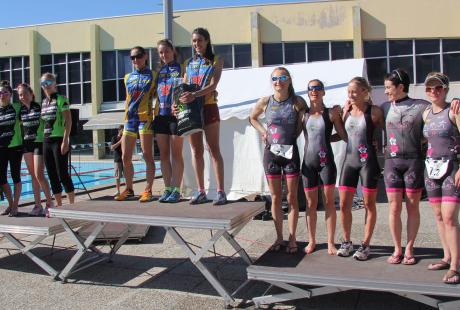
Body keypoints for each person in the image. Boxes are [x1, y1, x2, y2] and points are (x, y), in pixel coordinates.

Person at [249, 67, 306, 254]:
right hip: (271, 154)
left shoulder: (297, 101)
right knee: (274, 198)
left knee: (291, 197)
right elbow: (253, 118)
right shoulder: (265, 101)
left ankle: (292, 237)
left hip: (290, 153)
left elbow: (302, 123)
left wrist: (293, 137)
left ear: (289, 80)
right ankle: (279, 237)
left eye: (282, 77)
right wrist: (264, 132)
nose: (278, 81)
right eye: (275, 78)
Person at [337, 77, 384, 261]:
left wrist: (382, 146)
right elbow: (341, 132)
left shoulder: (375, 111)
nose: (351, 94)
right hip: (349, 161)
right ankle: (347, 242)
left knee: (369, 205)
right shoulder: (346, 110)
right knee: (343, 204)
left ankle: (365, 245)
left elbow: (387, 129)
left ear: (365, 92)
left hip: (368, 163)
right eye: (349, 91)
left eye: (355, 91)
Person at [179, 28, 227, 205]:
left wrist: (195, 94)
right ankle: (201, 192)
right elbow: (183, 87)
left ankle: (221, 192)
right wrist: (178, 105)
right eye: (194, 41)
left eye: (200, 40)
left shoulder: (216, 60)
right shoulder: (188, 63)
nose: (196, 44)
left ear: (207, 41)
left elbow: (213, 85)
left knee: (213, 149)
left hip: (208, 106)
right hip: (192, 108)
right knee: (196, 150)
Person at [422, 72, 460, 284]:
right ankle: (446, 257)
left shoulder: (454, 110)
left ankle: (456, 266)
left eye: (438, 88)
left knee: (449, 218)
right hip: (431, 170)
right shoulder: (426, 113)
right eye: (429, 88)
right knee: (438, 217)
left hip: (452, 169)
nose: (433, 92)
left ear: (445, 89)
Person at [302, 79, 347, 255]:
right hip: (308, 164)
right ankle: (311, 241)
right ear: (307, 92)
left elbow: (342, 134)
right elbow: (291, 134)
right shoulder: (302, 114)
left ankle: (330, 242)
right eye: (311, 88)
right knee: (311, 203)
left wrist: (364, 143)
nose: (314, 91)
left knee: (329, 202)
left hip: (326, 163)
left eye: (318, 88)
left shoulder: (331, 113)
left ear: (323, 92)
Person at [115, 46, 156, 202]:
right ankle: (130, 189)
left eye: (138, 56)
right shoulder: (127, 77)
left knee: (147, 155)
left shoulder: (153, 75)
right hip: (129, 120)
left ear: (145, 56)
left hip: (145, 118)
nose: (135, 60)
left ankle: (148, 190)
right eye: (132, 58)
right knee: (125, 157)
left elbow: (158, 96)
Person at [153, 39, 184, 203]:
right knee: (164, 155)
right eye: (161, 52)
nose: (164, 54)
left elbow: (186, 89)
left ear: (173, 51)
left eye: (166, 51)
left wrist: (180, 106)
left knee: (176, 154)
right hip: (160, 116)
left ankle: (177, 189)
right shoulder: (159, 72)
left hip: (175, 116)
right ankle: (167, 188)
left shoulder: (181, 68)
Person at [17, 83, 53, 216]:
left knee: (39, 174)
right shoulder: (20, 111)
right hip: (27, 145)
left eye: (25, 93)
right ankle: (37, 205)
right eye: (20, 94)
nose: (22, 96)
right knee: (32, 175)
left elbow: (49, 121)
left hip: (39, 142)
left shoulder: (39, 107)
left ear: (31, 94)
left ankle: (49, 203)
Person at [40, 73, 75, 210]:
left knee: (62, 173)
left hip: (59, 140)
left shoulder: (62, 99)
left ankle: (72, 205)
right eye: (43, 84)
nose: (46, 86)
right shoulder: (44, 102)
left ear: (54, 83)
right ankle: (59, 206)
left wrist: (65, 140)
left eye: (48, 83)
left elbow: (69, 121)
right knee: (52, 174)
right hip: (46, 141)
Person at [0, 80, 22, 217]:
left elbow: (32, 107)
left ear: (10, 95)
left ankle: (15, 206)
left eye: (4, 92)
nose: (2, 95)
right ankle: (11, 203)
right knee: (1, 178)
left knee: (15, 177)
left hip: (15, 147)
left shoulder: (17, 107)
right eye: (0, 93)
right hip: (1, 148)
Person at [111, 125, 124, 197]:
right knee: (117, 176)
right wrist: (120, 141)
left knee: (127, 176)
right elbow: (112, 147)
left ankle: (127, 190)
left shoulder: (125, 137)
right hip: (117, 159)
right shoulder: (114, 138)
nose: (123, 131)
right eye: (122, 130)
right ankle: (118, 191)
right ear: (119, 130)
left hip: (125, 159)